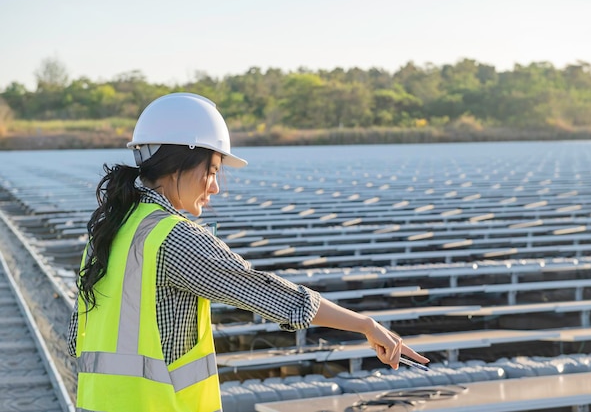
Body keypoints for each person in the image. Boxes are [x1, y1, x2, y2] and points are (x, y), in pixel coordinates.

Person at [67, 92, 429, 412]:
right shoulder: (172, 237)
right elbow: (268, 294)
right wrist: (366, 325)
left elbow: (78, 339)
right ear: (179, 163)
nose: (215, 187)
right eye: (211, 171)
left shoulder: (110, 229)